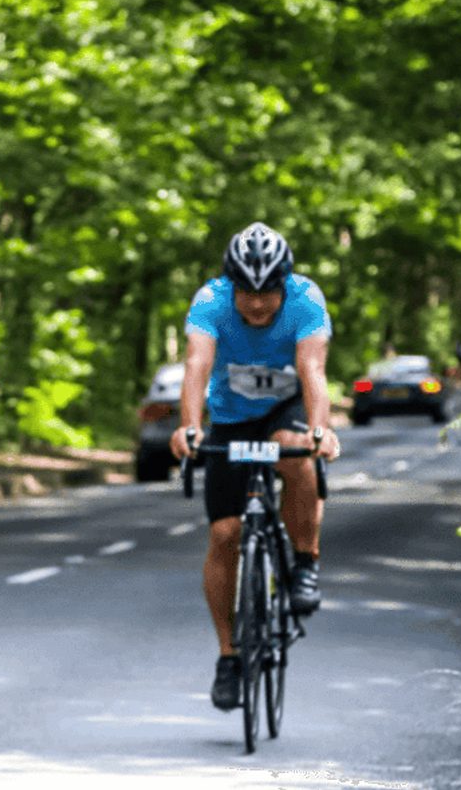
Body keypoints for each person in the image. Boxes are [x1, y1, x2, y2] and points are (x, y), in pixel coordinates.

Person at [169, 222, 342, 713]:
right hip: (229, 420)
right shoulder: (210, 301)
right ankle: (229, 655)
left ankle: (305, 562)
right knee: (225, 535)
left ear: (284, 284)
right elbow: (196, 367)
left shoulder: (306, 300)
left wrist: (318, 430)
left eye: (268, 292)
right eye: (247, 292)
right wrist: (188, 428)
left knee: (297, 452)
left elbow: (312, 370)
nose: (258, 304)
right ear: (232, 285)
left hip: (283, 412)